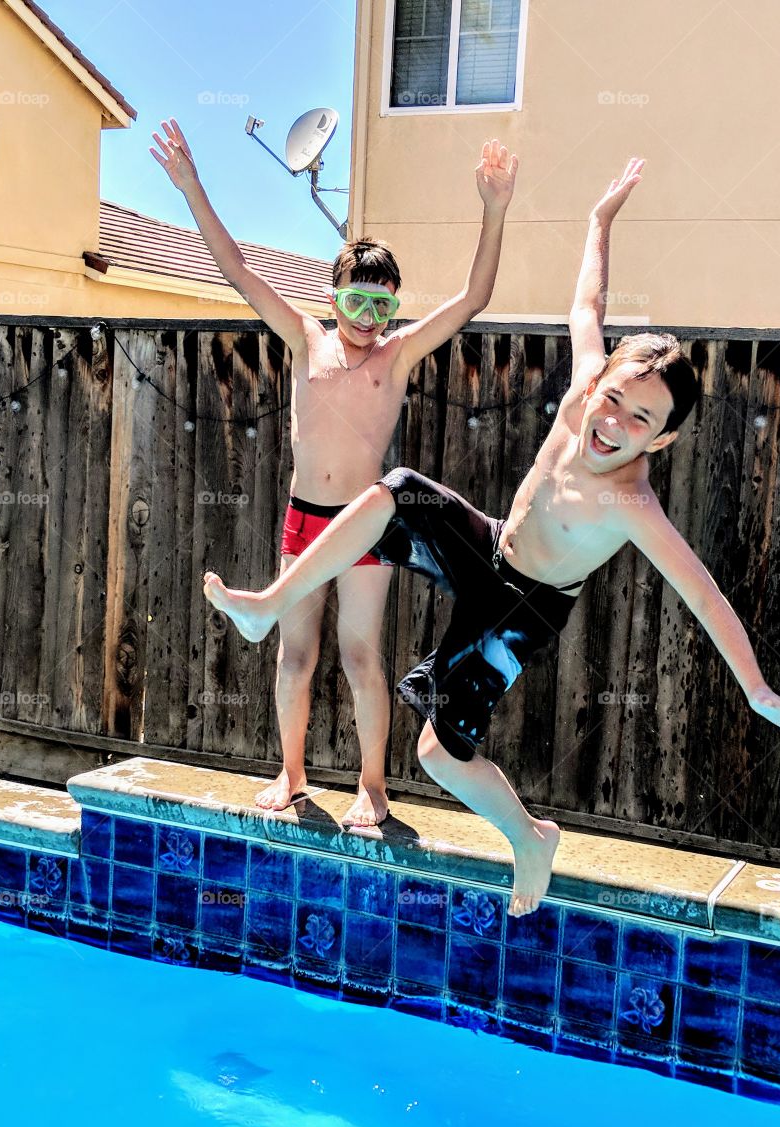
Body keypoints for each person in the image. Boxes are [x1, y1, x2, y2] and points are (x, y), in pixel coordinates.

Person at [201, 158, 780, 917]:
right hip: (490, 547)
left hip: (523, 606)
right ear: (598, 385)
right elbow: (588, 301)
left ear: (660, 442)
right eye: (615, 401)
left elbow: (704, 592)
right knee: (398, 491)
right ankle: (269, 605)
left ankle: (531, 839)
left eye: (641, 423)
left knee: (440, 754)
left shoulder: (632, 504)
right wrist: (599, 220)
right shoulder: (583, 393)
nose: (613, 425)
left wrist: (757, 689)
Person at [151, 118, 518, 826]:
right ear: (332, 297)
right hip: (302, 519)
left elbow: (472, 299)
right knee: (295, 655)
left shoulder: (399, 355)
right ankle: (291, 773)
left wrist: (493, 209)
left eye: (383, 306)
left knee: (359, 656)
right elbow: (238, 271)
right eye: (356, 302)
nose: (369, 318)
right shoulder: (304, 338)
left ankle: (373, 786)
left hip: (368, 528)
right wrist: (192, 187)